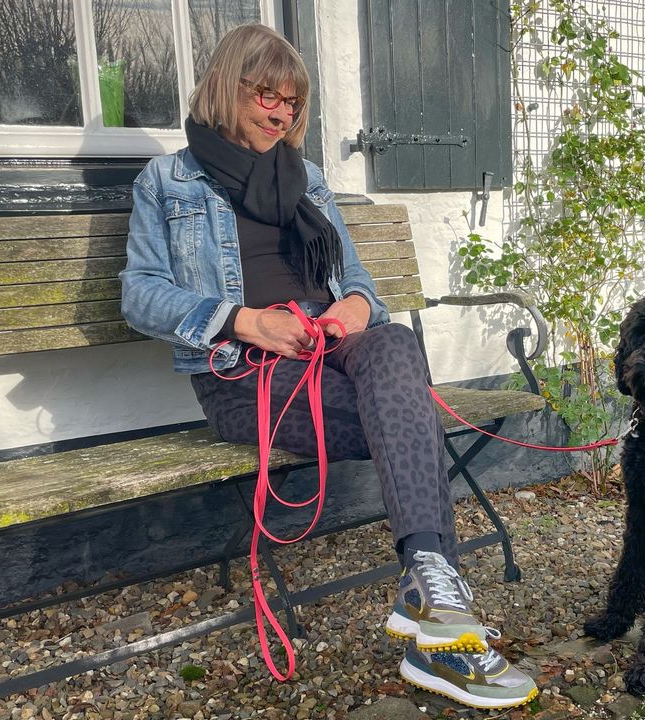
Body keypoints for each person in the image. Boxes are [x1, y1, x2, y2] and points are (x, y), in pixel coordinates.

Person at [119, 23, 536, 709]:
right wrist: (246, 320)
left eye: (291, 102)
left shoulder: (305, 179)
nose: (281, 113)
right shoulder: (168, 180)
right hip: (241, 373)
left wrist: (347, 314)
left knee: (395, 343)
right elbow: (139, 294)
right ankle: (447, 642)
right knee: (409, 419)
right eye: (266, 96)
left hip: (328, 351)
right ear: (229, 89)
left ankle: (427, 585)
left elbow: (360, 285)